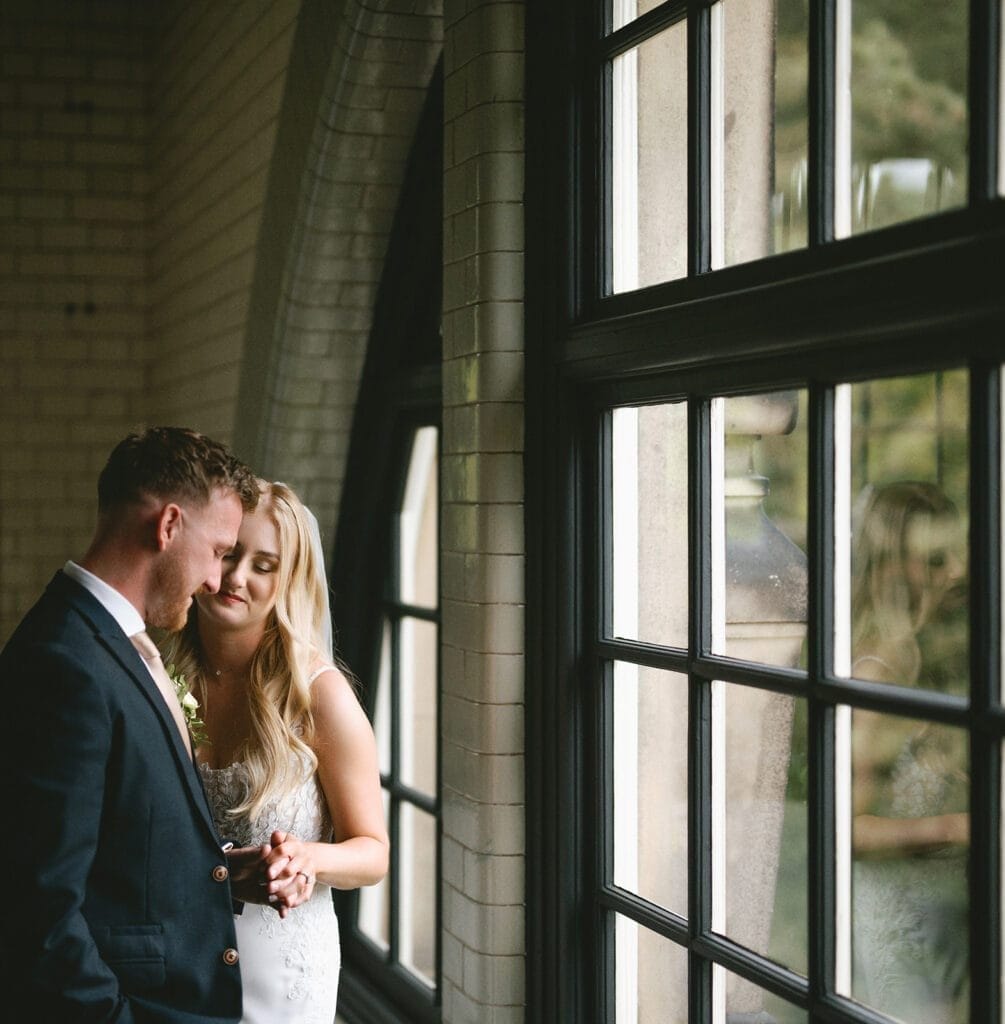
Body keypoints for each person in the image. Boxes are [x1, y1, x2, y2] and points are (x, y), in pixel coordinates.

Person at [0, 426, 260, 1023]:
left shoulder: (112, 642)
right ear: (168, 526)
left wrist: (218, 873)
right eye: (219, 551)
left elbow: (119, 851)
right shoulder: (62, 663)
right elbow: (40, 911)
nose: (217, 581)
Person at [162, 480, 389, 1022]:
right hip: (178, 960)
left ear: (289, 579)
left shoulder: (319, 696)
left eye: (264, 565)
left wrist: (306, 858)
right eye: (231, 554)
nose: (237, 578)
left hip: (283, 973)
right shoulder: (165, 678)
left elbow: (373, 852)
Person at [848, 480, 968, 1024]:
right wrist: (955, 829)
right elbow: (849, 829)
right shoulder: (873, 674)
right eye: (937, 558)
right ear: (894, 565)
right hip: (901, 928)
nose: (959, 570)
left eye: (960, 551)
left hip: (949, 919)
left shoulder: (928, 655)